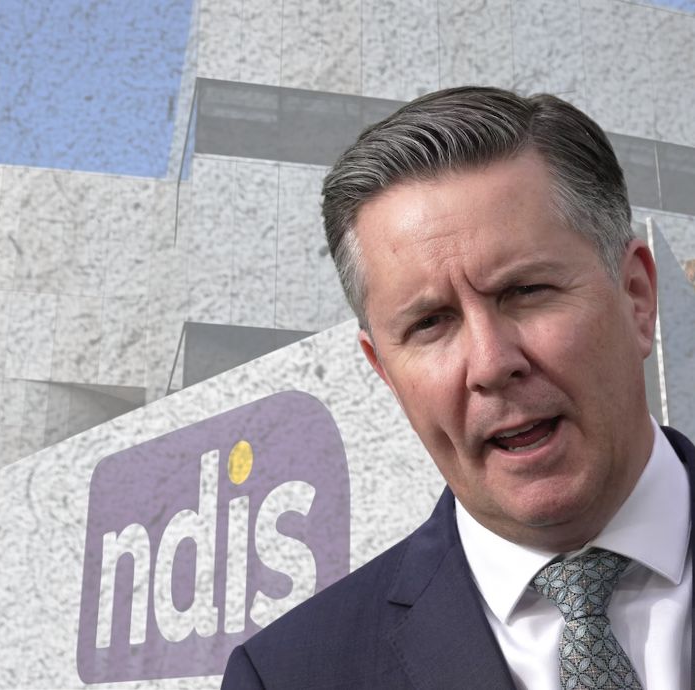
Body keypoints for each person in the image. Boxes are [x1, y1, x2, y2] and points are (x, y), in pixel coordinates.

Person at [220, 86, 694, 689]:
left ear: (636, 297)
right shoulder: (288, 676)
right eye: (430, 323)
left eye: (526, 291)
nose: (491, 364)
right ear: (386, 373)